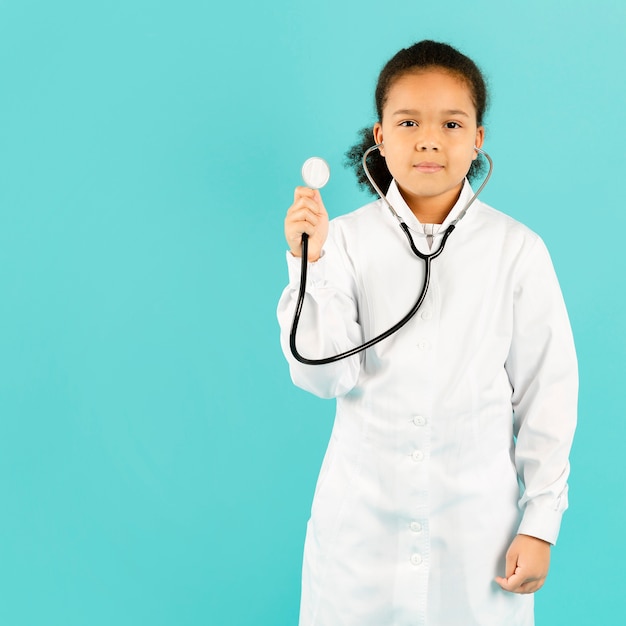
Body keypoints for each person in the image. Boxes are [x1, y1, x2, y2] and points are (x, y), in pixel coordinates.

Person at [276, 40, 577, 626]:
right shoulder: (342, 242)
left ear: (478, 139)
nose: (429, 139)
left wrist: (541, 523)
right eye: (408, 121)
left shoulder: (517, 250)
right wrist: (305, 263)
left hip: (477, 535)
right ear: (380, 137)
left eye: (452, 122)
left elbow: (548, 396)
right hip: (360, 538)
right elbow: (324, 376)